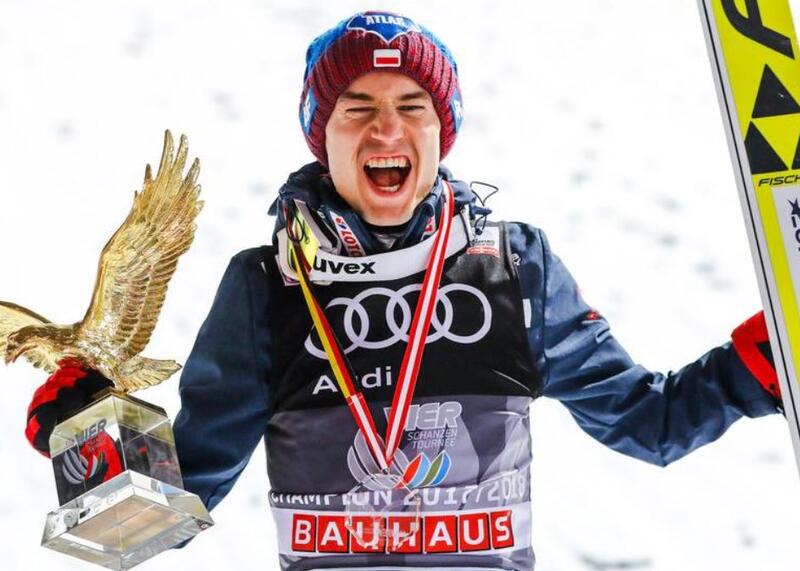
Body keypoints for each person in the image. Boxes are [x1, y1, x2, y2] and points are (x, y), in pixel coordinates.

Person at [24, 10, 785, 571]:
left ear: (440, 132)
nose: (385, 130)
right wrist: (86, 441)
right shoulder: (267, 287)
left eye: (411, 107)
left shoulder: (513, 267)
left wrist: (767, 356)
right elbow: (166, 512)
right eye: (357, 109)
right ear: (322, 135)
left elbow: (649, 422)